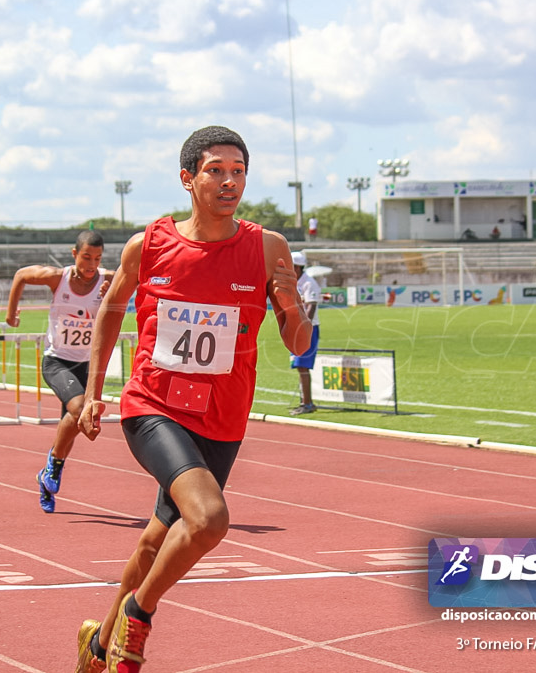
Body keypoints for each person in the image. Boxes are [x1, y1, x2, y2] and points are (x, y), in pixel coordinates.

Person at [74, 126, 311, 673]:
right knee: (207, 521)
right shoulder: (149, 243)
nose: (229, 181)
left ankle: (95, 647)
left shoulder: (268, 247)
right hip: (154, 406)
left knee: (157, 541)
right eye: (216, 170)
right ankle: (138, 618)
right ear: (187, 178)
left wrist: (293, 304)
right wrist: (93, 393)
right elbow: (109, 314)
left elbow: (297, 344)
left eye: (238, 171)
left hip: (223, 419)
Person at [5, 231, 112, 514]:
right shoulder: (57, 278)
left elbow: (139, 275)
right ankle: (54, 465)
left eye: (97, 259)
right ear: (74, 254)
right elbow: (21, 276)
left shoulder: (106, 278)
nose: (91, 265)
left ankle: (47, 477)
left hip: (87, 365)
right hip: (58, 362)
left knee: (83, 424)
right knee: (79, 410)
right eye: (86, 257)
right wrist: (11, 312)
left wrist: (112, 288)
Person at [288, 251, 321, 416]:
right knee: (299, 366)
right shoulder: (294, 281)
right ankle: (304, 401)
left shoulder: (309, 283)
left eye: (291, 265)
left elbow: (311, 306)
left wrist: (304, 326)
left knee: (302, 366)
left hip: (308, 328)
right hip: (297, 327)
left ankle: (307, 403)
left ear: (298, 267)